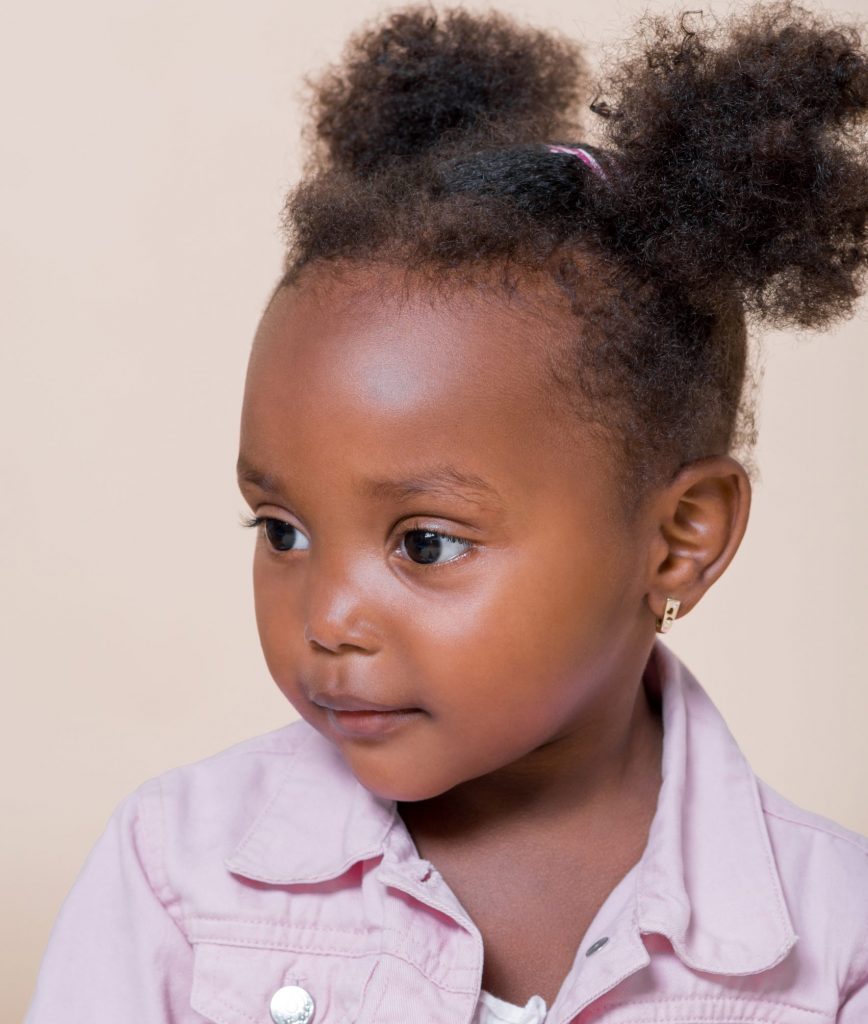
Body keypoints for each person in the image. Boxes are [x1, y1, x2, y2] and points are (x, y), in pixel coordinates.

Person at [26, 2, 868, 1022]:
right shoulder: (175, 875)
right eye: (281, 529)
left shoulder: (832, 943)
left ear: (680, 536)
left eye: (424, 543)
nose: (328, 615)